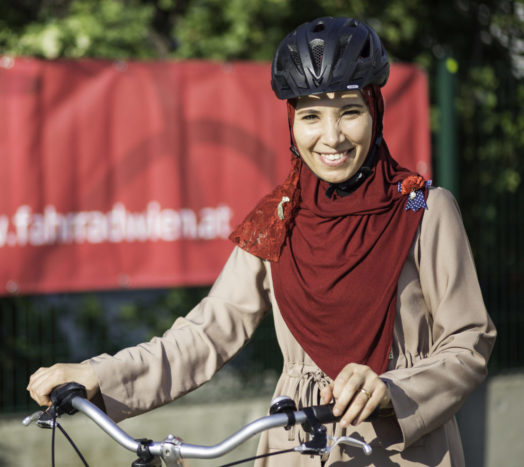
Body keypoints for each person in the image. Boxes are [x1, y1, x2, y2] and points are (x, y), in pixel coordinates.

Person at [27, 16, 496, 466]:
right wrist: (97, 374)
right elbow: (208, 331)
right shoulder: (278, 218)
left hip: (399, 447)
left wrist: (393, 389)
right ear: (291, 124)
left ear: (374, 112)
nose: (331, 137)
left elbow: (469, 341)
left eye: (349, 112)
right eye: (311, 116)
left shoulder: (422, 208)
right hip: (295, 443)